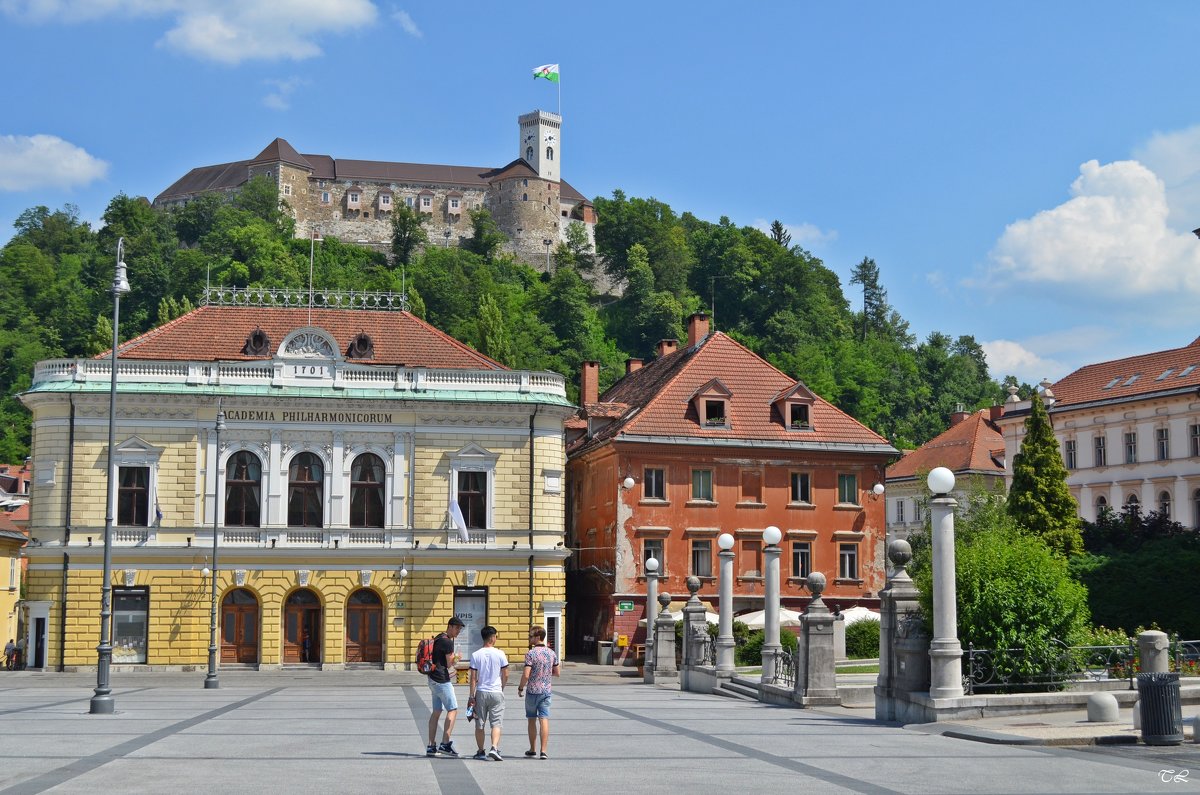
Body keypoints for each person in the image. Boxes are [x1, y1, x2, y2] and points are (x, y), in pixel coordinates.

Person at [467, 625, 509, 761]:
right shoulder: (500, 653)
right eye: (496, 636)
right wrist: (502, 687)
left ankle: (480, 751)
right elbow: (506, 674)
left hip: (481, 692)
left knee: (480, 723)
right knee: (496, 722)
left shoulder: (475, 654)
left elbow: (473, 678)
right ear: (492, 637)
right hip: (496, 692)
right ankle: (494, 748)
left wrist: (471, 696)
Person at [518, 625, 560, 759]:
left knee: (531, 720)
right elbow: (557, 672)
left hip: (532, 691)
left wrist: (520, 688)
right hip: (546, 691)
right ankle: (544, 751)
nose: (529, 639)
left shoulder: (531, 653)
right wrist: (545, 675)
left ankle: (532, 749)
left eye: (531, 636)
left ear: (537, 637)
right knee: (544, 719)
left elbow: (526, 674)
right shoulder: (552, 653)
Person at [426, 616, 465, 757]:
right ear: (450, 626)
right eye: (457, 629)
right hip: (442, 680)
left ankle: (431, 746)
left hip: (432, 679)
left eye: (459, 629)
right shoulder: (447, 642)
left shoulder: (437, 638)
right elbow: (449, 664)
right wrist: (457, 658)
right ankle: (445, 743)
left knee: (436, 712)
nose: (458, 632)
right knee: (453, 710)